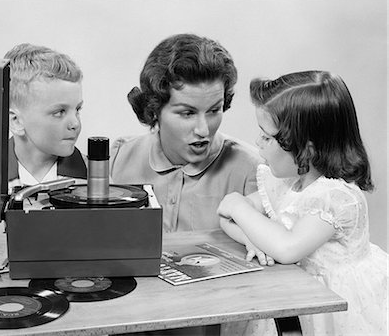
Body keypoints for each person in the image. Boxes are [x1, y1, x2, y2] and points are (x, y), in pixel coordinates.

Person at [217, 70, 388, 335]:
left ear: (306, 149)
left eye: (267, 136)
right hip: (295, 298)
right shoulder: (288, 183)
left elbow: (286, 248)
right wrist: (252, 238)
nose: (257, 142)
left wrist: (237, 205)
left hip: (331, 313)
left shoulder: (336, 198)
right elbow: (225, 216)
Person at [110, 33, 261, 234]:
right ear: (154, 109)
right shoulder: (119, 157)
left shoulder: (252, 170)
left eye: (214, 110)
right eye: (187, 113)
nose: (203, 130)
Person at [0, 43, 86, 242]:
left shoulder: (94, 177)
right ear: (16, 121)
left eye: (78, 109)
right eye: (59, 112)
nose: (75, 123)